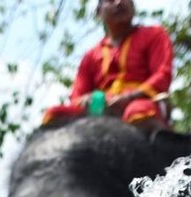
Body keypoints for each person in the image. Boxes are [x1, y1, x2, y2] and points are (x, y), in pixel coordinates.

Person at [42, 0, 173, 130]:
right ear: (98, 12)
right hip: (99, 111)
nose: (119, 2)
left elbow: (162, 75)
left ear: (133, 6)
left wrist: (127, 98)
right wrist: (87, 101)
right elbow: (77, 97)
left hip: (142, 104)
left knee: (137, 111)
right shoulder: (90, 56)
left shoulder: (154, 34)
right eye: (110, 0)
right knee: (54, 114)